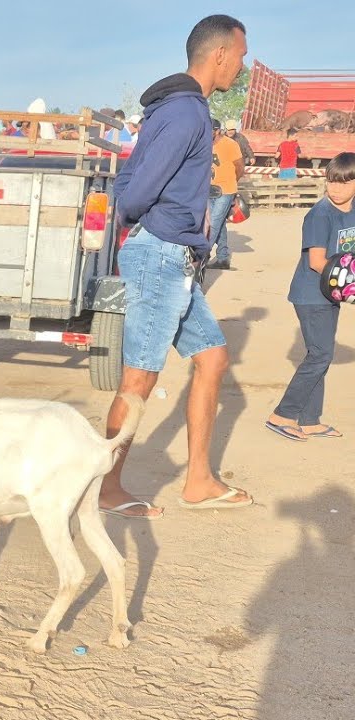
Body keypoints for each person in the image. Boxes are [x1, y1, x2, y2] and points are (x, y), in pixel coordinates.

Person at [102, 14, 254, 518]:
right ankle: (104, 487)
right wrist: (162, 221)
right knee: (139, 379)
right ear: (219, 55)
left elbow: (127, 179)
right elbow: (135, 192)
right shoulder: (187, 114)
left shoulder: (178, 109)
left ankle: (199, 481)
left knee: (212, 358)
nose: (242, 65)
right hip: (162, 257)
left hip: (176, 258)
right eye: (240, 56)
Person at [266, 153, 355, 441]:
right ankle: (282, 414)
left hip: (330, 293)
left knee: (320, 354)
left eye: (344, 182)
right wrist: (351, 284)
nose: (336, 188)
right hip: (311, 294)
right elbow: (317, 262)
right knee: (320, 355)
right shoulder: (320, 215)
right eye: (331, 182)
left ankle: (309, 420)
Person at [208, 118, 244, 270]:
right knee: (219, 224)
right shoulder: (205, 144)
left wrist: (232, 182)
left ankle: (201, 256)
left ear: (217, 131)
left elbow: (240, 167)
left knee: (213, 223)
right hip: (209, 189)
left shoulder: (230, 144)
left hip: (226, 190)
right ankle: (223, 258)